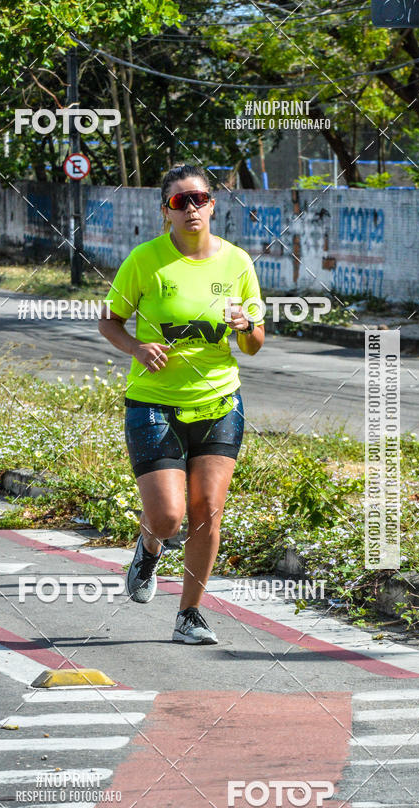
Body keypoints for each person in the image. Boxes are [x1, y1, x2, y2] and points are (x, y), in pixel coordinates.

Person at [98, 163, 265, 644]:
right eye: (179, 201)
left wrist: (244, 327)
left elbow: (255, 345)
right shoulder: (145, 260)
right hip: (153, 402)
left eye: (199, 199)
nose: (191, 208)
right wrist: (135, 348)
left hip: (219, 401)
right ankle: (149, 548)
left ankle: (189, 615)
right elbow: (109, 321)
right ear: (166, 211)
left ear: (213, 204)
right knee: (170, 516)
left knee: (208, 510)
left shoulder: (238, 263)